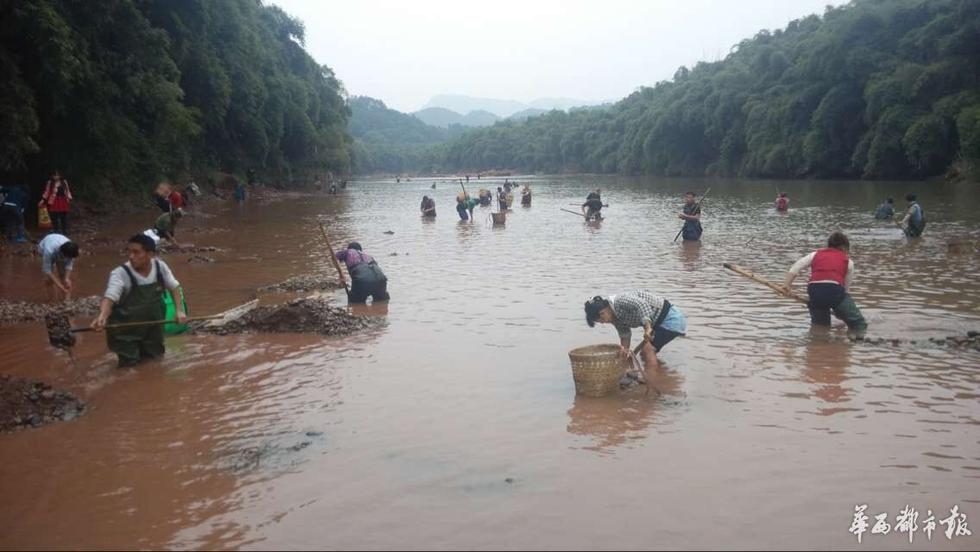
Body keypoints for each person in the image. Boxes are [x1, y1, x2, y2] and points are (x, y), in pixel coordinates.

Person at [91, 234, 186, 367]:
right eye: (129, 252)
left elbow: (174, 287)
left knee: (155, 361)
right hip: (125, 332)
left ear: (150, 254)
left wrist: (179, 310)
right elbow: (110, 297)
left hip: (153, 327)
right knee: (129, 367)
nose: (131, 256)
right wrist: (102, 316)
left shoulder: (160, 267)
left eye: (136, 252)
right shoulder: (120, 273)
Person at [782, 231, 867, 336]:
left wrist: (787, 285)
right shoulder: (848, 261)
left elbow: (796, 267)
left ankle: (818, 346)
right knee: (859, 323)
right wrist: (841, 310)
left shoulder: (815, 254)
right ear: (844, 248)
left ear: (829, 245)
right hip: (835, 292)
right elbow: (845, 290)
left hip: (815, 292)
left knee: (820, 326)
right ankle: (857, 343)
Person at [584, 291, 687, 373]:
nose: (603, 322)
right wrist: (625, 352)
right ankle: (659, 373)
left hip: (671, 319)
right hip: (657, 324)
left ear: (602, 313)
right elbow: (625, 334)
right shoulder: (614, 318)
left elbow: (641, 305)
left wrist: (647, 328)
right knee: (643, 354)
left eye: (601, 320)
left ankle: (652, 381)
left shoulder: (620, 301)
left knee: (647, 351)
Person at [38, 233, 80, 302]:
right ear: (63, 253)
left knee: (64, 278)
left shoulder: (72, 249)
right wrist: (60, 286)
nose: (69, 259)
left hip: (60, 245)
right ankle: (52, 300)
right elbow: (48, 271)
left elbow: (69, 265)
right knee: (49, 280)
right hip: (45, 246)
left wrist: (66, 278)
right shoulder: (48, 251)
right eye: (67, 257)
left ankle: (66, 300)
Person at [40, 171, 72, 235]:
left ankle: (64, 231)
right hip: (54, 200)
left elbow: (67, 190)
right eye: (54, 175)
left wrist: (69, 197)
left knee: (64, 216)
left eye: (57, 175)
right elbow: (47, 191)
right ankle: (56, 230)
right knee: (54, 216)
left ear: (60, 176)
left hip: (63, 200)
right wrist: (43, 200)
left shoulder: (64, 182)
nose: (55, 177)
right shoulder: (50, 182)